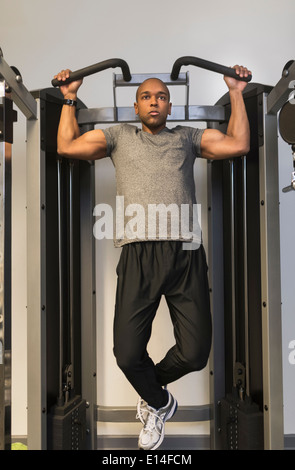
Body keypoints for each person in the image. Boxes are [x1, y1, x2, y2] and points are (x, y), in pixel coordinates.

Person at [54, 64, 251, 450]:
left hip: (185, 253)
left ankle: (152, 395)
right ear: (136, 106)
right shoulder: (117, 137)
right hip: (138, 255)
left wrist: (237, 92)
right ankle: (162, 403)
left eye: (161, 96)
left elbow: (238, 144)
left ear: (170, 105)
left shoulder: (189, 138)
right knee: (127, 353)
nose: (154, 102)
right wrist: (68, 98)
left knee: (195, 353)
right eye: (147, 97)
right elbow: (67, 146)